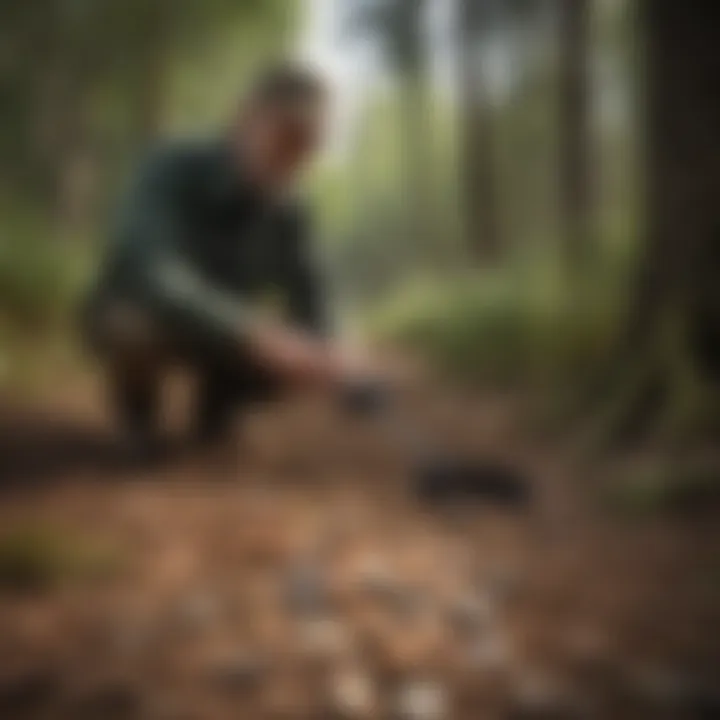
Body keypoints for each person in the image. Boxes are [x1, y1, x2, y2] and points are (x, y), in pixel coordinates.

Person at [84, 62, 373, 460]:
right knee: (133, 328)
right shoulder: (171, 164)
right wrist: (251, 332)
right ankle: (139, 415)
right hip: (155, 314)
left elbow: (313, 294)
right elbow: (151, 271)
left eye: (310, 145)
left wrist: (335, 354)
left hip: (229, 336)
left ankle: (217, 408)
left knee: (306, 355)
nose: (296, 158)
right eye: (288, 136)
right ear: (245, 119)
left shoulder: (292, 211)